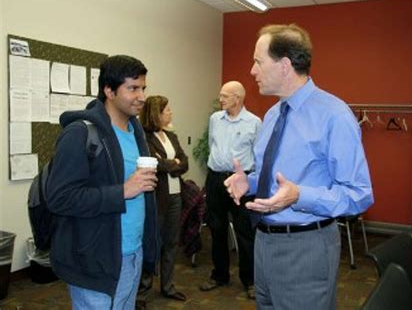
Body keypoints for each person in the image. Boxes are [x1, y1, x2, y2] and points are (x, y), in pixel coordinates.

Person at [224, 24, 374, 309]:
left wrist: (299, 196)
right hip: (264, 243)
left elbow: (359, 194)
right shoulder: (271, 115)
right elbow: (277, 177)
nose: (252, 71)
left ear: (284, 65)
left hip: (307, 247)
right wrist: (250, 183)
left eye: (258, 62)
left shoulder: (334, 115)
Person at [46, 55, 160, 309]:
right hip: (95, 259)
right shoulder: (80, 133)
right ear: (109, 90)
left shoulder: (136, 131)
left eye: (143, 88)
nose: (141, 96)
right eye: (132, 88)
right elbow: (60, 198)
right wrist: (122, 191)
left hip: (132, 253)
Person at [199, 81, 261, 299]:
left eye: (225, 96)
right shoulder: (215, 119)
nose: (221, 100)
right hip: (215, 179)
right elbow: (213, 145)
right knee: (217, 229)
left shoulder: (254, 122)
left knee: (245, 232)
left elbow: (258, 156)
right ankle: (219, 275)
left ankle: (250, 281)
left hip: (240, 181)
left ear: (238, 98)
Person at [138, 95, 189, 302]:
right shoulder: (143, 137)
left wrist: (169, 163)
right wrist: (170, 164)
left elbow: (184, 163)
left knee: (171, 243)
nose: (170, 113)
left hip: (176, 196)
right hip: (157, 198)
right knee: (152, 243)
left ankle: (168, 286)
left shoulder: (171, 136)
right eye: (166, 110)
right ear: (155, 114)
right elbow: (154, 165)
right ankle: (142, 292)